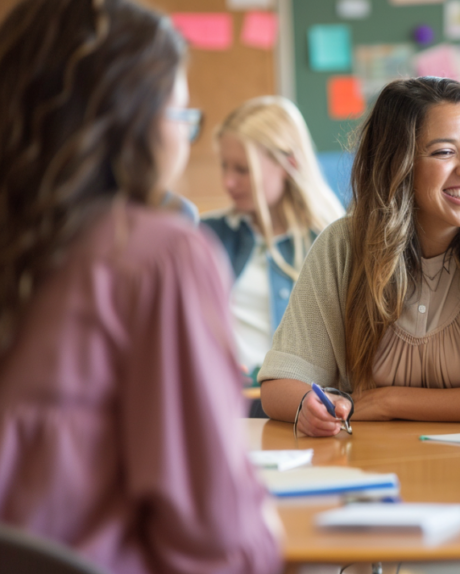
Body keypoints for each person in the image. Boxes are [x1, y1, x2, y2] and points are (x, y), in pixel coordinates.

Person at [0, 0, 282, 572]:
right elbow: (211, 530)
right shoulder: (157, 256)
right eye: (182, 117)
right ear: (135, 122)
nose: (184, 142)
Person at [258, 77, 460, 436]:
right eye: (444, 152)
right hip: (376, 477)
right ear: (396, 164)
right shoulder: (342, 246)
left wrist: (388, 402)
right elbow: (278, 387)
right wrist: (307, 406)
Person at [202, 96, 345, 378]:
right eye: (224, 166)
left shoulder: (332, 242)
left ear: (288, 165)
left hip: (295, 405)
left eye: (242, 170)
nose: (228, 182)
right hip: (227, 400)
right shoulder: (205, 235)